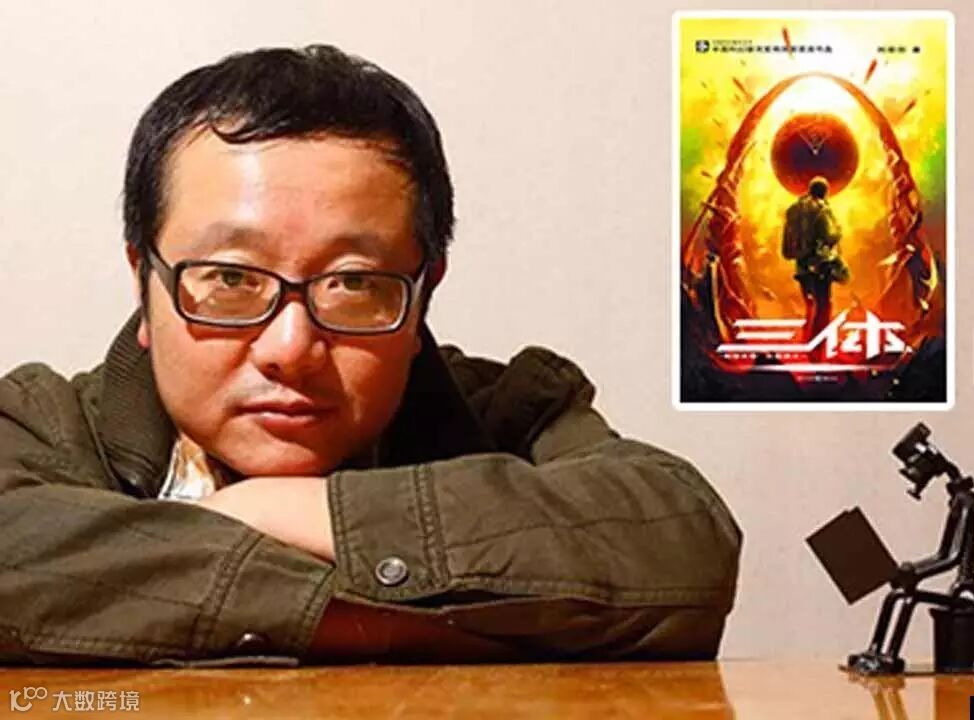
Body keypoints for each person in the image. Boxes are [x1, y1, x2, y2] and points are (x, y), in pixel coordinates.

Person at [0, 45, 741, 666]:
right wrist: (417, 619)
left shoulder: (507, 413)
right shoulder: (44, 424)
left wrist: (289, 511)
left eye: (353, 284)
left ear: (423, 294)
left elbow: (681, 540)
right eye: (230, 278)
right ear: (144, 280)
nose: (291, 348)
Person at [782, 176, 850, 348]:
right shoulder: (821, 209)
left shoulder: (795, 209)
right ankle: (818, 346)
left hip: (801, 265)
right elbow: (829, 235)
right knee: (823, 305)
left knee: (810, 304)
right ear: (824, 192)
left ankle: (807, 339)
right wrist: (839, 232)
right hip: (820, 265)